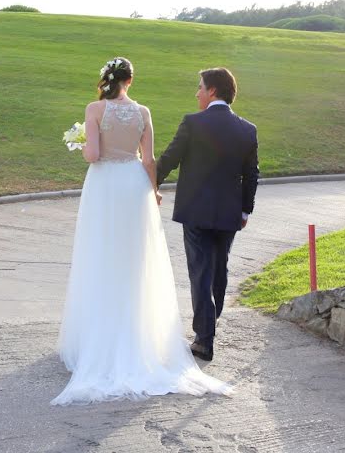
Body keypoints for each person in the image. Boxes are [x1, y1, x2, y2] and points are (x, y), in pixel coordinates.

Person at [52, 57, 232, 405]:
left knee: (100, 255)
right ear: (130, 80)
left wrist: (82, 142)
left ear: (106, 79)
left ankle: (97, 340)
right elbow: (148, 159)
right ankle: (140, 339)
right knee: (135, 261)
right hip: (134, 186)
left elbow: (91, 155)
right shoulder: (143, 112)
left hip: (104, 185)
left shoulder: (94, 108)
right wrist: (154, 190)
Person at [156, 68, 259, 362]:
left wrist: (147, 185)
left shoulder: (193, 123)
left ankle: (204, 339)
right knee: (218, 270)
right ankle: (209, 326)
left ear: (212, 90)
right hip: (229, 215)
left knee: (200, 271)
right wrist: (245, 210)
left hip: (196, 211)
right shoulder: (247, 129)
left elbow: (169, 160)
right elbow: (251, 175)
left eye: (200, 87)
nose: (197, 92)